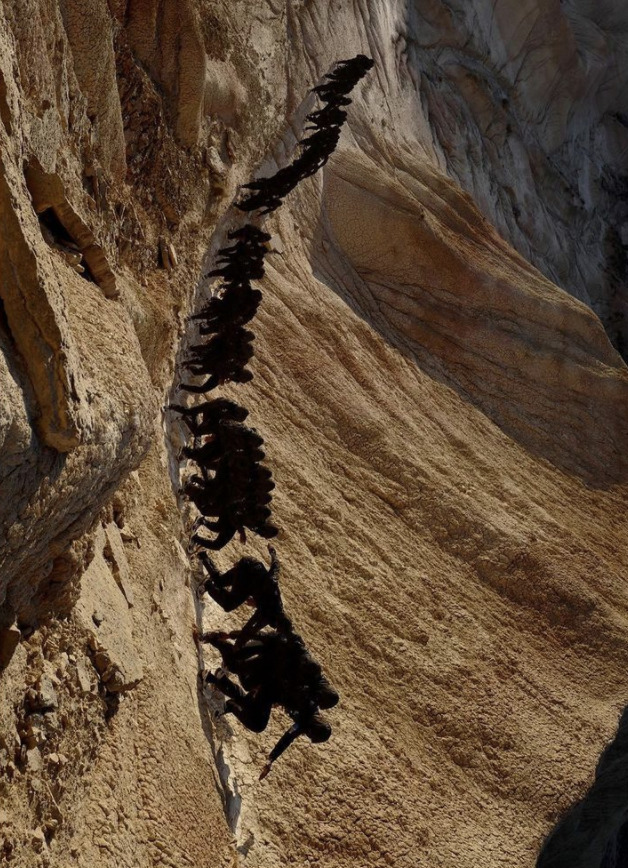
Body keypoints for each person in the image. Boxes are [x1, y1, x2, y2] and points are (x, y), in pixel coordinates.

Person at [197, 546, 291, 645]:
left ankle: (203, 556)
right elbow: (250, 630)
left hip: (250, 564)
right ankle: (208, 585)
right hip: (247, 579)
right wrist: (237, 642)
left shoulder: (275, 599)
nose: (276, 631)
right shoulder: (267, 613)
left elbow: (276, 566)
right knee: (228, 604)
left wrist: (273, 552)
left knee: (220, 581)